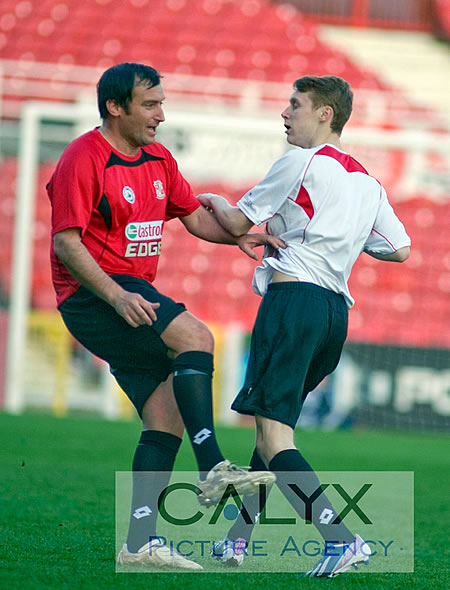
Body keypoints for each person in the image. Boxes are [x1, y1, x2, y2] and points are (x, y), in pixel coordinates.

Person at [46, 62, 280, 571]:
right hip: (94, 295)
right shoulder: (83, 158)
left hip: (129, 291)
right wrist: (113, 295)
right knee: (196, 335)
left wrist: (237, 235)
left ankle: (139, 544)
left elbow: (194, 215)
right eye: (150, 104)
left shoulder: (158, 157)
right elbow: (66, 242)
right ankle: (213, 466)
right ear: (115, 106)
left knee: (166, 414)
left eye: (161, 104)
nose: (160, 115)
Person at [198, 75, 411, 578]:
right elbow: (399, 248)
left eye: (295, 104)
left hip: (294, 302)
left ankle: (340, 540)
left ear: (325, 114)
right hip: (334, 314)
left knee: (275, 438)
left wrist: (206, 198)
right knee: (273, 429)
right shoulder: (367, 180)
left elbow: (235, 222)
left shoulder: (301, 161)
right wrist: (339, 239)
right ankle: (236, 542)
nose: (285, 113)